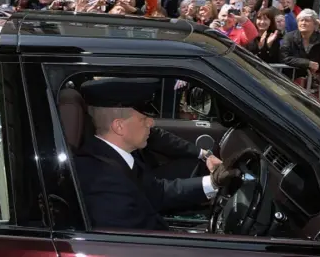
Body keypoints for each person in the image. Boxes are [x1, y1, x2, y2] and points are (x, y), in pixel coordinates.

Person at [75, 77, 240, 230]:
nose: (151, 122)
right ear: (119, 127)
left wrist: (213, 182)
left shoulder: (117, 157)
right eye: (143, 118)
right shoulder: (103, 182)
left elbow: (157, 192)